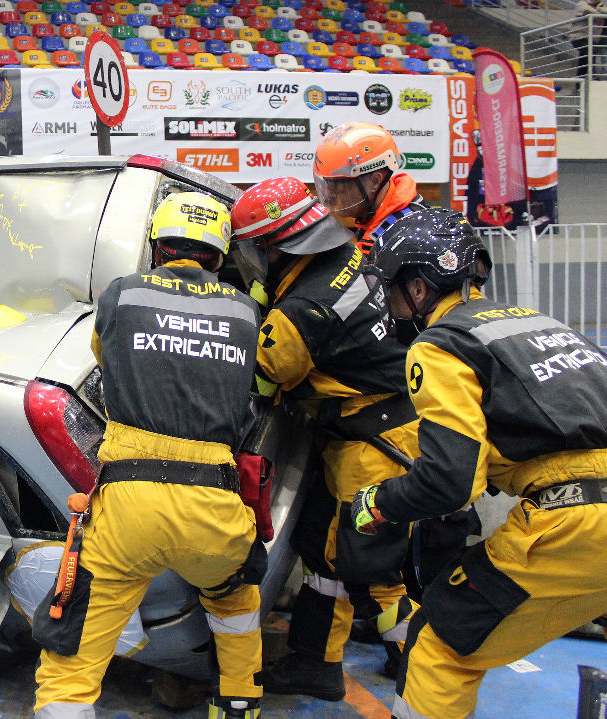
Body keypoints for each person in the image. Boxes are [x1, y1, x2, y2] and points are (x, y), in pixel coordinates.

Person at [353, 209, 607, 718]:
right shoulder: (539, 324)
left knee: (437, 642)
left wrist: (380, 501)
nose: (391, 305)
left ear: (419, 289)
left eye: (393, 288)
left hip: (572, 522)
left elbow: (451, 482)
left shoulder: (442, 345)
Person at [32, 193, 264, 719]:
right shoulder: (246, 310)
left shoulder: (122, 296)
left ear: (157, 247)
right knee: (233, 601)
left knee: (75, 645)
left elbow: (104, 356)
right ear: (219, 254)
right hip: (216, 506)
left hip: (129, 507)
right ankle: (240, 702)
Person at [229, 178, 420, 701]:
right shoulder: (349, 257)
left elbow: (261, 379)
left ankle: (426, 675)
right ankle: (318, 660)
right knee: (324, 547)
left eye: (256, 247)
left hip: (372, 446)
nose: (252, 258)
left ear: (281, 243)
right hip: (377, 431)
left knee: (372, 570)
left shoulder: (303, 311)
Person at [313, 122, 429, 256]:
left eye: (338, 185)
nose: (328, 195)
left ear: (375, 181)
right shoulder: (380, 218)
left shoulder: (399, 239)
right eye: (327, 184)